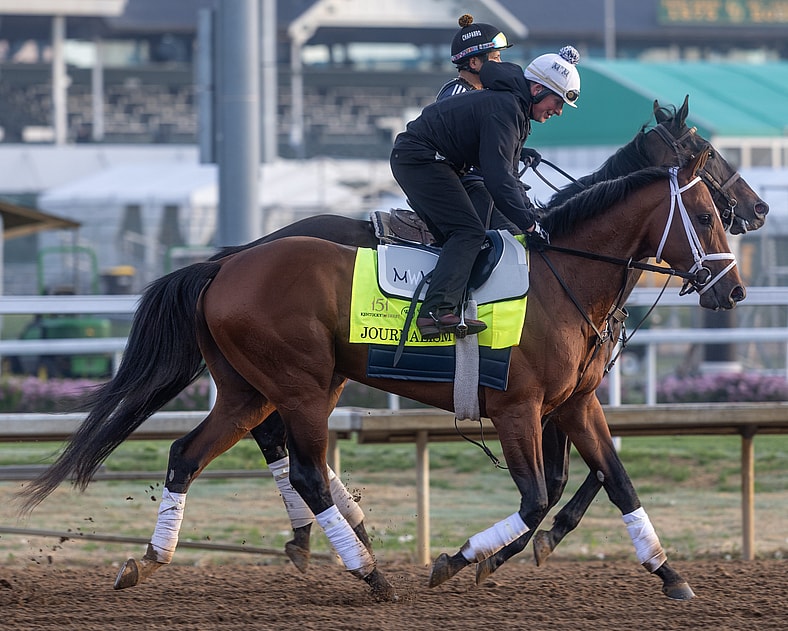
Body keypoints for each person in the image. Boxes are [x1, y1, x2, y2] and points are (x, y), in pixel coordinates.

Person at [390, 47, 581, 339]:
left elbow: (508, 175)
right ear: (538, 88)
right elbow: (499, 179)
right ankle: (434, 313)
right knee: (468, 232)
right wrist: (530, 225)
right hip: (421, 160)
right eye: (557, 102)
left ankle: (450, 305)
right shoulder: (507, 108)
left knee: (465, 235)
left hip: (424, 159)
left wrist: (532, 214)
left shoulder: (512, 107)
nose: (558, 111)